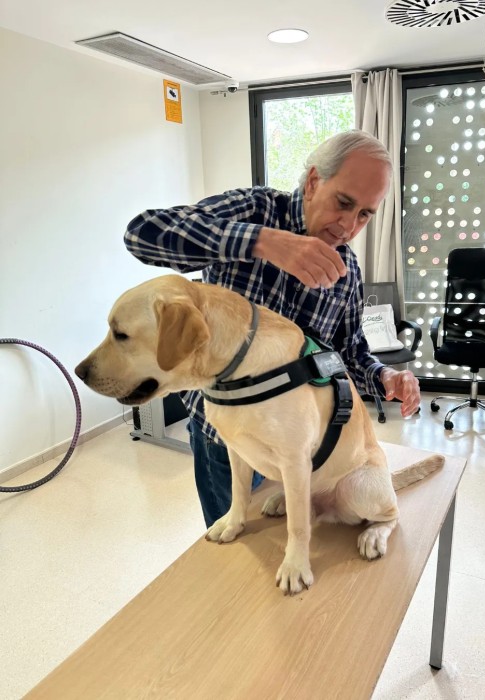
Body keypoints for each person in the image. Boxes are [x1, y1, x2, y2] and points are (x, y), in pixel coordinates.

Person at [124, 130, 421, 527]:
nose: (349, 226)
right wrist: (262, 242)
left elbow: (349, 352)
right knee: (235, 547)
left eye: (365, 214)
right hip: (226, 433)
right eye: (344, 203)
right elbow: (143, 234)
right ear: (313, 182)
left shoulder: (346, 269)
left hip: (298, 442)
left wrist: (384, 376)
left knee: (288, 545)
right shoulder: (257, 210)